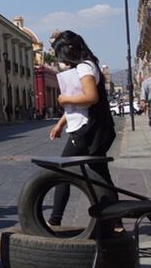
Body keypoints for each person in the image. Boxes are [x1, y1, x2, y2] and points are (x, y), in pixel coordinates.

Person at [46, 31, 117, 228]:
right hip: (94, 129)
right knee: (101, 176)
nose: (60, 59)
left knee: (62, 172)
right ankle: (116, 221)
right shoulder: (86, 66)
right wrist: (60, 124)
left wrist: (64, 99)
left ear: (70, 49)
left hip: (87, 130)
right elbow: (80, 105)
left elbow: (90, 97)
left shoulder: (85, 68)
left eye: (60, 53)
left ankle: (55, 219)